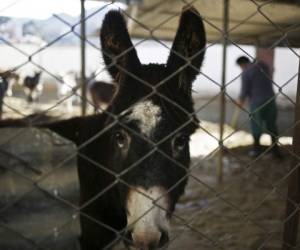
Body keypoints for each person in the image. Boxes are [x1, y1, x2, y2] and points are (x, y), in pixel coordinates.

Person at [236, 56, 282, 158]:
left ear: (242, 64)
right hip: (270, 100)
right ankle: (275, 150)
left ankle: (256, 150)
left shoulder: (246, 72)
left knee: (256, 124)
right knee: (271, 124)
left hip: (256, 102)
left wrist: (240, 101)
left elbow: (244, 90)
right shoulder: (263, 66)